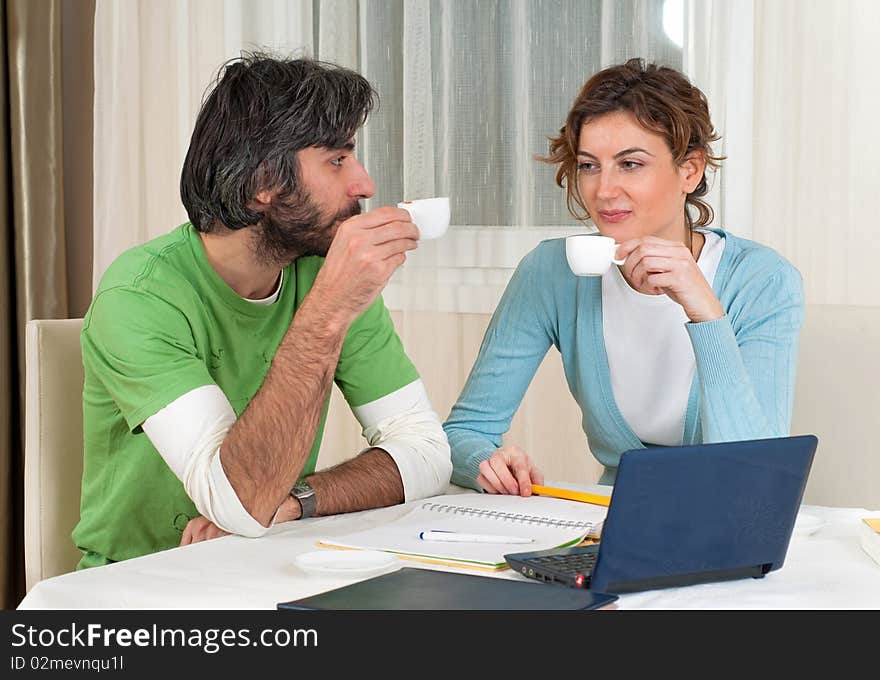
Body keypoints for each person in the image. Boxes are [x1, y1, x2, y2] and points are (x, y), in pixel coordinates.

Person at [73, 54, 452, 568]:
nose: (364, 184)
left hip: (261, 571)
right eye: (337, 160)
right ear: (264, 183)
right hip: (138, 593)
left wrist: (298, 501)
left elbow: (428, 454)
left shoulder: (320, 273)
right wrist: (328, 311)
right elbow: (241, 502)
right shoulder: (140, 299)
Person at [443, 58, 804, 495]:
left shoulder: (762, 280)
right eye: (589, 165)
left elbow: (755, 475)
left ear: (689, 170)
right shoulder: (552, 272)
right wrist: (486, 462)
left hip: (728, 520)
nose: (604, 191)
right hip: (608, 519)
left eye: (630, 164)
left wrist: (705, 312)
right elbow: (465, 431)